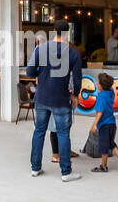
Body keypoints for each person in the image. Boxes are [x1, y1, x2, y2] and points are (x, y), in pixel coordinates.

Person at [27, 19, 83, 182]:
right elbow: (78, 80)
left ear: (54, 31)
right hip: (61, 99)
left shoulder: (41, 49)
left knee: (39, 131)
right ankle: (66, 172)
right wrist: (75, 95)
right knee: (63, 133)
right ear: (67, 33)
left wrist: (43, 74)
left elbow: (30, 71)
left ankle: (35, 168)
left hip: (42, 97)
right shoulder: (73, 53)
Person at [89, 72, 118, 173]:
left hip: (104, 125)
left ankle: (104, 166)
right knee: (111, 143)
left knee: (103, 146)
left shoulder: (101, 96)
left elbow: (99, 113)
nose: (96, 83)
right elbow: (109, 88)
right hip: (112, 123)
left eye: (98, 82)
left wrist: (94, 125)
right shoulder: (111, 91)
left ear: (101, 85)